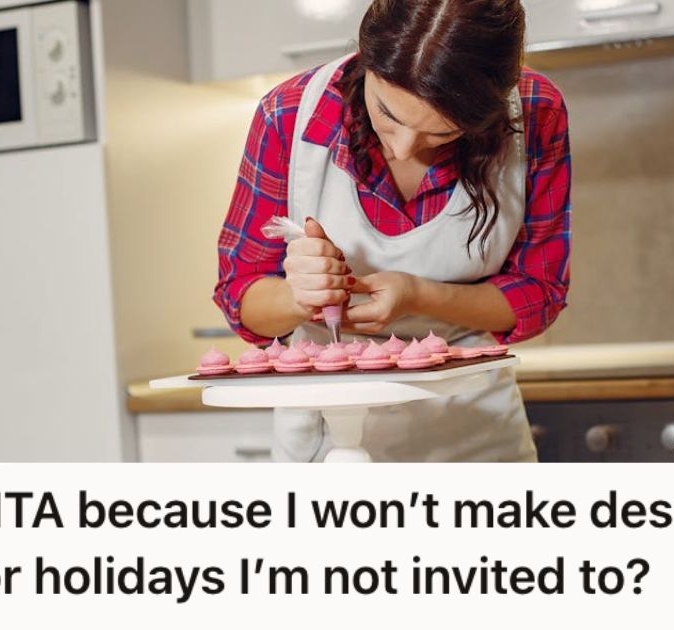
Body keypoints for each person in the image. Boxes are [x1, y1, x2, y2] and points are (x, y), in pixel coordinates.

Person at [213, 0, 571, 462]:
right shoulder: (287, 113)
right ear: (366, 58)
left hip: (474, 431)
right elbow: (240, 295)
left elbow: (538, 294)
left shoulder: (538, 111)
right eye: (388, 114)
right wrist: (298, 296)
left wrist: (417, 295)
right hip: (329, 434)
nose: (403, 149)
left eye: (443, 133)